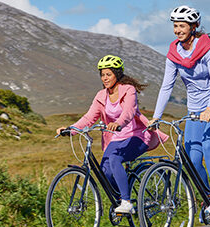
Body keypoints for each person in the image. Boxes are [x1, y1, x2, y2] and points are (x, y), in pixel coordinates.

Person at [149, 5, 210, 215]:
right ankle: (208, 196)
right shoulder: (173, 53)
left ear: (194, 27)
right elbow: (167, 86)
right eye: (175, 26)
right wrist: (156, 117)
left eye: (182, 26)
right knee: (192, 158)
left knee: (208, 146)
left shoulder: (208, 48)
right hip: (195, 109)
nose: (177, 30)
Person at [57, 55, 168, 214]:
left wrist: (119, 123)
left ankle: (126, 202)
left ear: (117, 74)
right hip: (116, 138)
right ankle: (121, 200)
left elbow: (129, 112)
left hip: (137, 135)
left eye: (108, 74)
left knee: (115, 158)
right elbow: (89, 118)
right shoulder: (101, 96)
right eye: (102, 74)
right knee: (105, 171)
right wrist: (71, 129)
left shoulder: (128, 90)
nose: (105, 78)